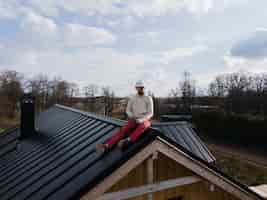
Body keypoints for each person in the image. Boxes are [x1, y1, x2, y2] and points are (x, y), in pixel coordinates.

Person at [96, 80, 154, 152]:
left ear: (144, 88)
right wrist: (132, 116)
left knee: (143, 126)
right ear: (136, 88)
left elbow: (150, 113)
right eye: (139, 87)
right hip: (134, 119)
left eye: (142, 87)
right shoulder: (133, 98)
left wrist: (141, 120)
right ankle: (106, 145)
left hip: (144, 120)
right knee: (124, 129)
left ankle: (127, 141)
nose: (141, 89)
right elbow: (128, 110)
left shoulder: (148, 98)